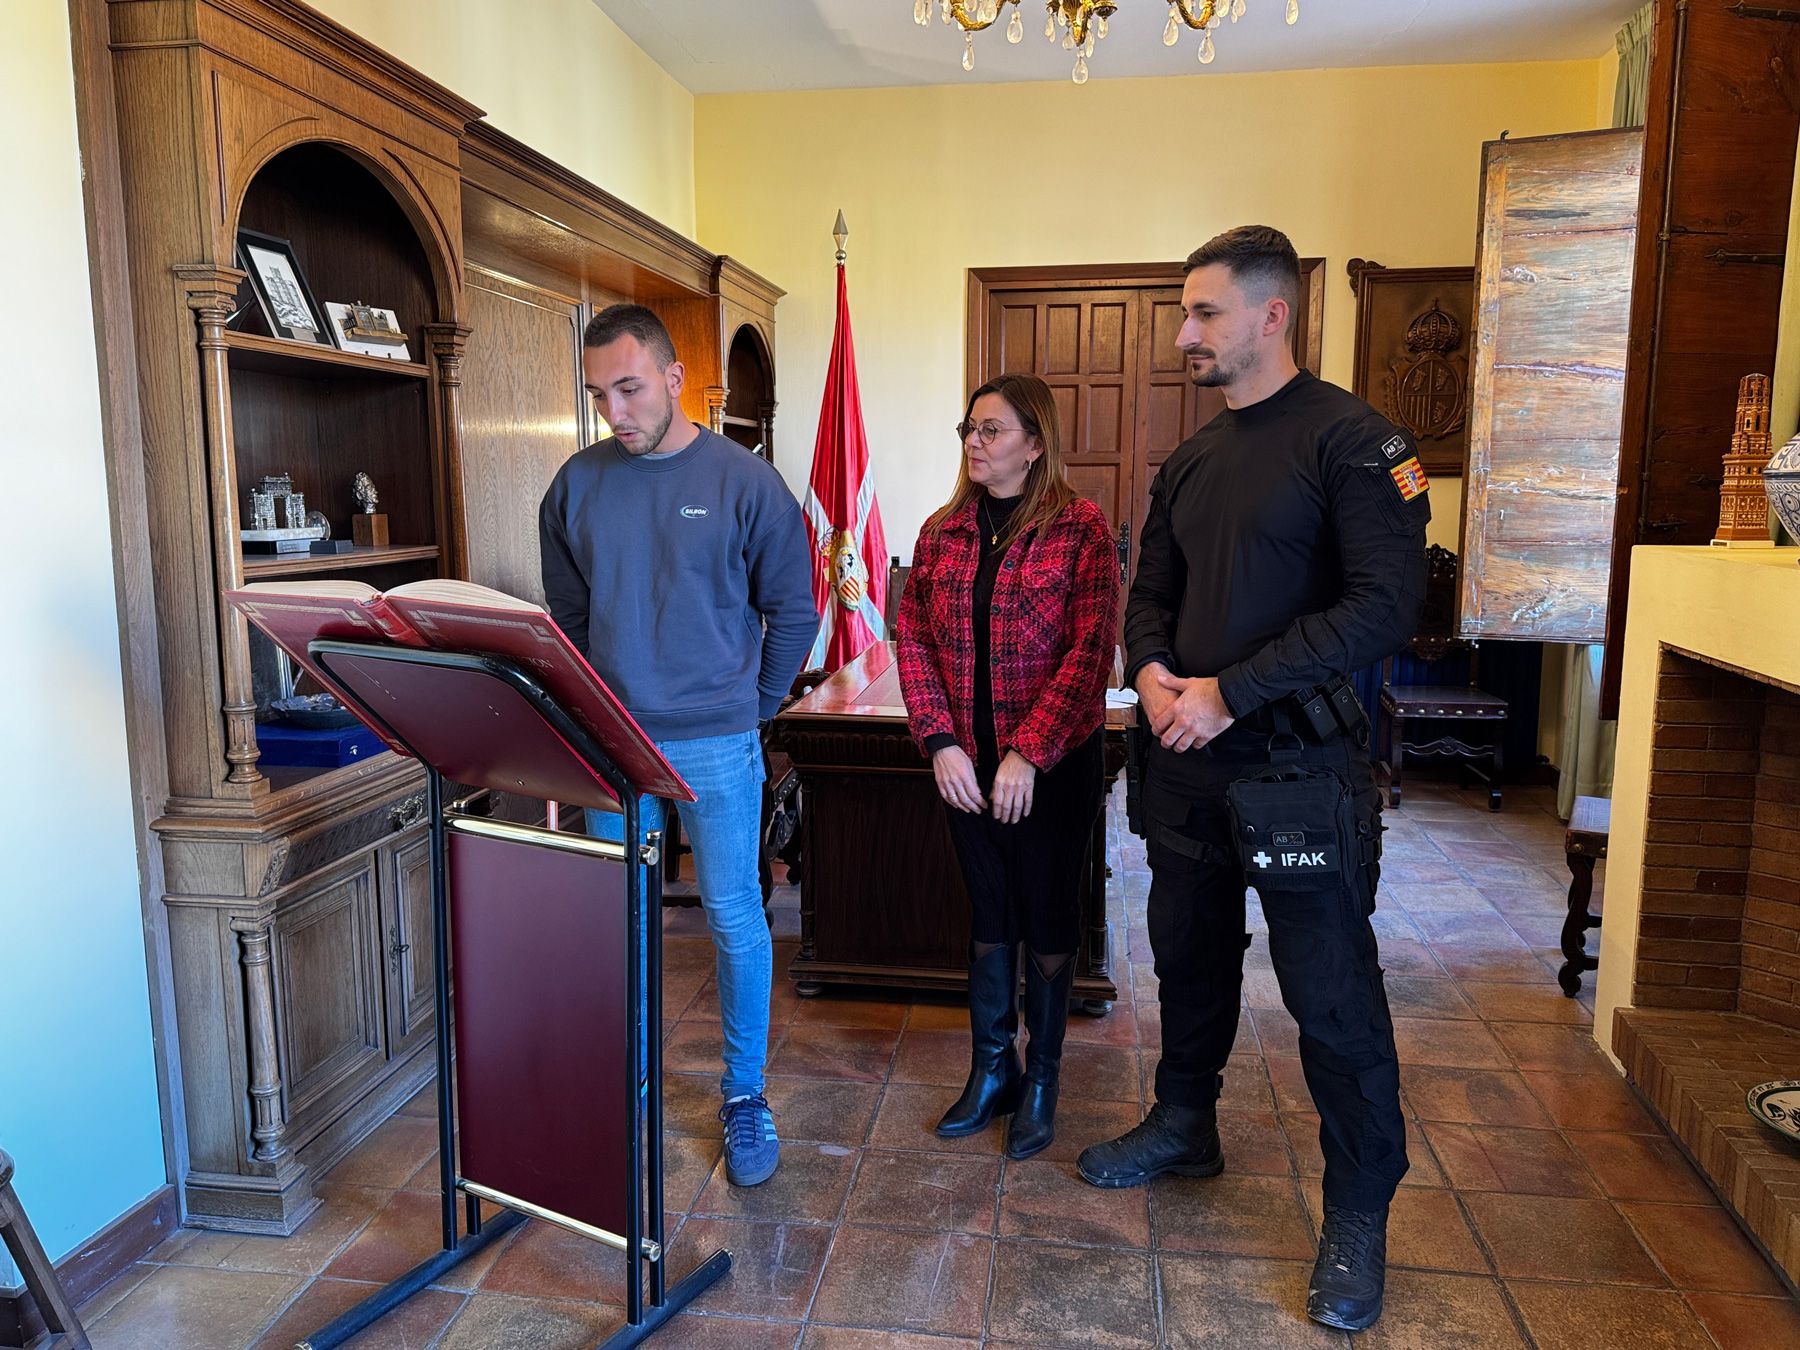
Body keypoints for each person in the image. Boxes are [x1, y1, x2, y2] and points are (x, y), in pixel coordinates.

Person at [1073, 227, 1429, 1332]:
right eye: (1185, 313)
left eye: (1204, 313)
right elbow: (1147, 592)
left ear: (1273, 315)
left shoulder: (1357, 443)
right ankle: (1186, 1123)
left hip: (1299, 771)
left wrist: (1230, 691)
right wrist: (1151, 675)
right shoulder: (1193, 458)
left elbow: (1382, 607)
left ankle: (1357, 1210)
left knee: (1330, 992)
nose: (1184, 333)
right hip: (1186, 764)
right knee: (1186, 955)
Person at [539, 303, 818, 1188]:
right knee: (615, 918)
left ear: (673, 377)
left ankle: (744, 1093)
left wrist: (753, 708)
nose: (614, 411)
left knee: (733, 916)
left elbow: (795, 611)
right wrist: (591, 715)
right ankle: (625, 1082)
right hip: (611, 742)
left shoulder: (746, 482)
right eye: (598, 395)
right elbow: (568, 622)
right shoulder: (575, 485)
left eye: (629, 388)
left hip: (717, 742)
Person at [896, 372, 1118, 1161]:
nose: (974, 442)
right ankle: (993, 1069)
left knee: (1049, 915)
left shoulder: (1080, 528)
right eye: (969, 428)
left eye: (991, 430)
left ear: (1034, 443)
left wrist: (1030, 750)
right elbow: (913, 640)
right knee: (988, 914)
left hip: (1051, 767)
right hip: (966, 766)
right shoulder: (942, 531)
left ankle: (1043, 1078)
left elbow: (1091, 650)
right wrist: (939, 741)